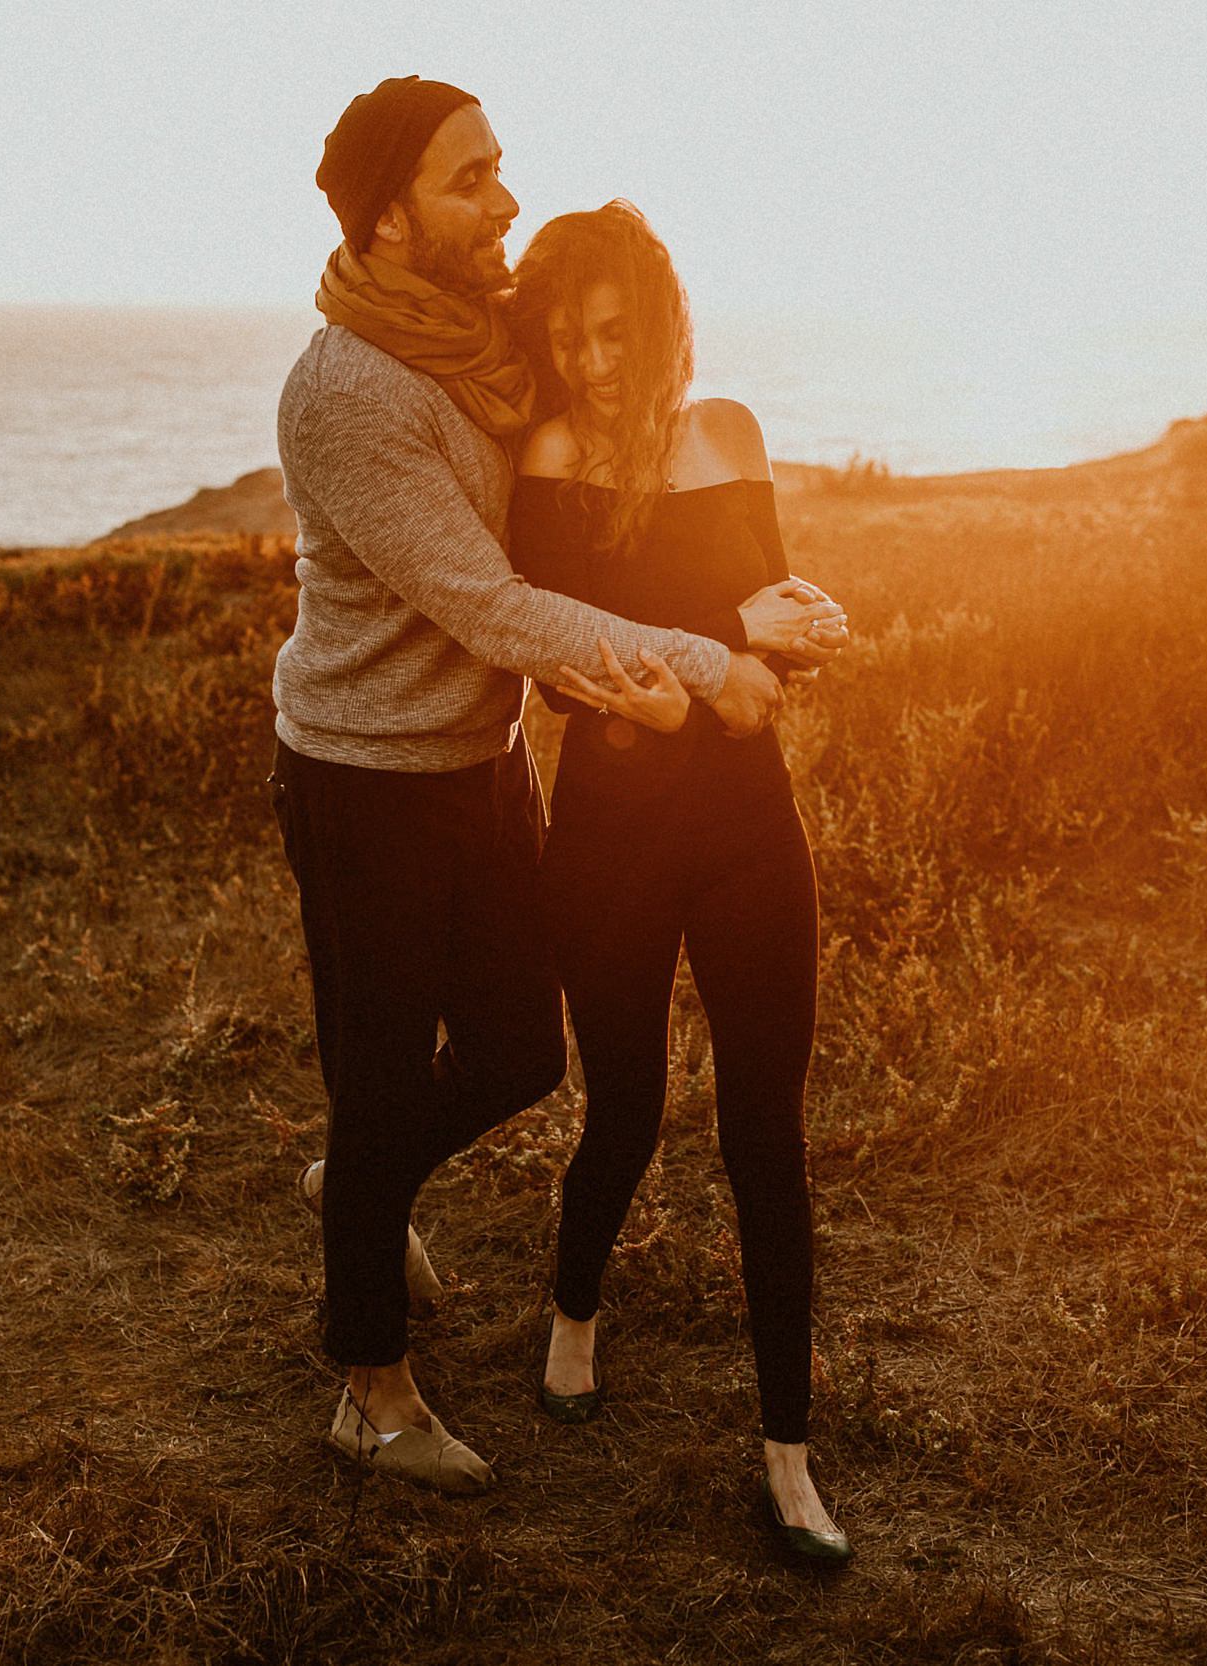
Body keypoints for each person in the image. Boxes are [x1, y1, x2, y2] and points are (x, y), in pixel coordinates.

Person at [269, 78, 844, 1496]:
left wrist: (759, 594)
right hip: (363, 774)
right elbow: (499, 606)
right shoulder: (346, 391)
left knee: (525, 1051)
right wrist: (713, 662)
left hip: (478, 764)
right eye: (475, 180)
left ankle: (362, 1178)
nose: (505, 200)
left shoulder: (482, 349)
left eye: (502, 171)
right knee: (388, 1066)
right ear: (394, 213)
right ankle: (374, 1386)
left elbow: (620, 463)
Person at [503, 201, 856, 1563]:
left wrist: (789, 639)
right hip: (609, 841)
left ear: (656, 324)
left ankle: (789, 1454)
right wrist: (723, 653)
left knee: (767, 1130)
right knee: (631, 1106)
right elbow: (568, 664)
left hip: (748, 826)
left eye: (611, 332)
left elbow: (764, 643)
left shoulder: (731, 436)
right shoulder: (548, 456)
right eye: (564, 336)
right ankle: (575, 1306)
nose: (590, 361)